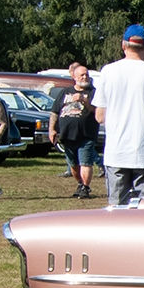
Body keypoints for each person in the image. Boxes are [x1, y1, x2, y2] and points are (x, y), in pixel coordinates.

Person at [92, 24, 144, 206]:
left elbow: (99, 116)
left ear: (124, 45)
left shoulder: (108, 71)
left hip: (116, 153)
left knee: (116, 210)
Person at [49, 65, 102, 199]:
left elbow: (98, 111)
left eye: (86, 75)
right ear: (74, 77)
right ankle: (80, 183)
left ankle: (85, 187)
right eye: (82, 75)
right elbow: (55, 112)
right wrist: (52, 129)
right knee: (73, 164)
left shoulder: (94, 93)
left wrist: (84, 100)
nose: (85, 77)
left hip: (86, 134)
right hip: (67, 135)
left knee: (85, 162)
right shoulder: (65, 92)